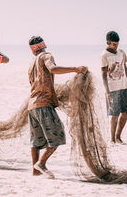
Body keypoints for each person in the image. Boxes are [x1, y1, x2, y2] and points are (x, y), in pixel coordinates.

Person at [28, 36, 87, 179]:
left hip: (32, 106)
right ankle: (41, 164)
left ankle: (35, 171)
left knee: (36, 141)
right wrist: (76, 69)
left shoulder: (32, 64)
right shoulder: (46, 56)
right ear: (44, 45)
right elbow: (53, 69)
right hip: (43, 104)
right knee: (58, 136)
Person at [101, 31, 127, 144]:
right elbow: (103, 75)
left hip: (124, 86)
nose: (116, 46)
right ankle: (112, 139)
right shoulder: (104, 55)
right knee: (114, 115)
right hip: (112, 89)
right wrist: (107, 91)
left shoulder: (121, 52)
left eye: (117, 43)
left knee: (126, 112)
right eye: (114, 44)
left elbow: (125, 67)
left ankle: (118, 136)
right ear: (108, 42)